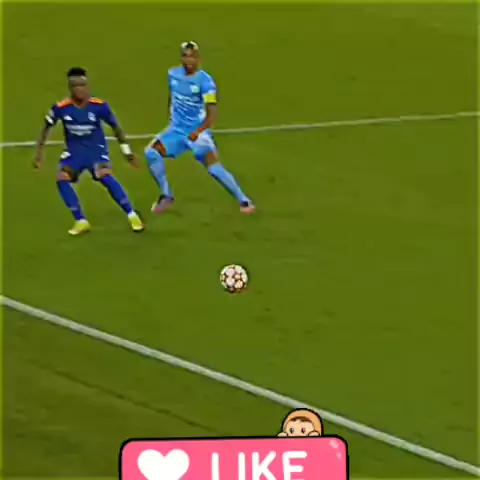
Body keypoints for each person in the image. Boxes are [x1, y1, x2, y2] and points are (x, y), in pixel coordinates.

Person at [145, 41, 255, 214]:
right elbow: (173, 98)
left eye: (192, 57)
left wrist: (198, 132)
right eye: (185, 56)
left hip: (198, 131)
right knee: (151, 152)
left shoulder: (206, 82)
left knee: (213, 167)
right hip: (176, 130)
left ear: (198, 59)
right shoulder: (173, 75)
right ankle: (167, 196)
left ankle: (244, 201)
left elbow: (212, 115)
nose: (189, 61)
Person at [34, 67, 145, 235]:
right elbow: (46, 128)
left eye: (83, 85)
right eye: (76, 86)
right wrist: (39, 154)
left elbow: (116, 128)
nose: (81, 89)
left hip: (96, 151)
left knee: (104, 175)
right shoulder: (61, 108)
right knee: (62, 178)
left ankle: (132, 215)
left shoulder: (99, 106)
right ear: (70, 88)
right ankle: (80, 220)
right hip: (74, 153)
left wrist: (127, 152)